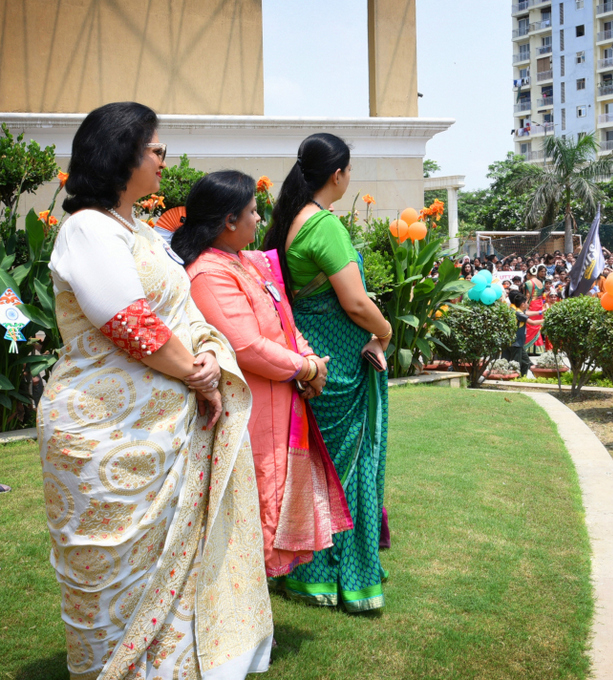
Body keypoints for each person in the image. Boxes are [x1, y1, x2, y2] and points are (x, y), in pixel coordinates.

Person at [38, 102, 272, 678]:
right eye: (156, 149)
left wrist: (211, 358)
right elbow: (130, 323)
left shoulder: (142, 232)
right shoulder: (87, 229)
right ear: (121, 154)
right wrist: (196, 373)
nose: (164, 161)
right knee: (113, 575)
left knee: (178, 570)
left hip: (166, 432)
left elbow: (184, 312)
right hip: (105, 435)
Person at [173, 171, 352, 579]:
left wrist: (309, 360)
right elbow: (248, 346)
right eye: (252, 212)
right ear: (228, 221)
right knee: (256, 506)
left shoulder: (248, 262)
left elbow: (285, 321)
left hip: (282, 399)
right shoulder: (209, 273)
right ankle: (243, 619)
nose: (259, 219)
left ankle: (254, 616)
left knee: (274, 498)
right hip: (253, 410)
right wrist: (305, 367)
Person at [262, 133, 391, 612]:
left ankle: (310, 576)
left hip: (312, 358)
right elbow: (356, 303)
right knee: (351, 471)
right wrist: (387, 329)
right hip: (341, 364)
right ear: (338, 175)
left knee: (317, 471)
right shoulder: (324, 227)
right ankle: (353, 583)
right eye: (349, 170)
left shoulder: (288, 223)